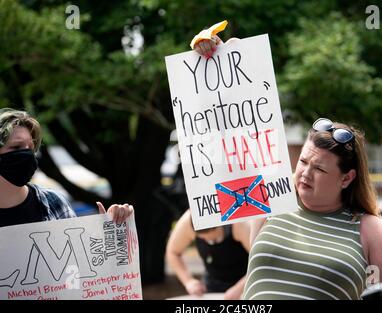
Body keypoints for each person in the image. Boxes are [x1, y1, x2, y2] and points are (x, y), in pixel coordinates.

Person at [193, 28, 382, 300]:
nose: (305, 173)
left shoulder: (364, 228)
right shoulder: (268, 198)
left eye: (320, 168)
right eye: (303, 161)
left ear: (346, 178)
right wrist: (221, 53)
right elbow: (237, 117)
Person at [0, 108, 133, 228]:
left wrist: (112, 228)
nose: (27, 154)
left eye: (31, 147)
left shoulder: (54, 204)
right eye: (16, 147)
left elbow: (79, 253)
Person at [166, 209, 250, 300]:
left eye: (214, 239)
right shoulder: (188, 221)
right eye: (202, 238)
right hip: (212, 283)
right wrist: (188, 281)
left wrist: (239, 288)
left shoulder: (238, 223)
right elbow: (173, 252)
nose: (208, 241)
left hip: (246, 282)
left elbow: (262, 260)